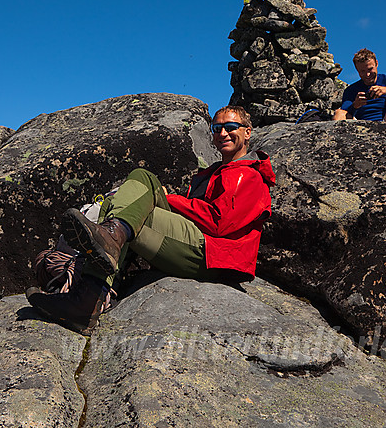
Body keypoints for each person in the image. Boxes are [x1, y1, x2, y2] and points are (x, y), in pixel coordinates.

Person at [26, 105, 276, 333]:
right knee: (125, 206)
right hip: (199, 246)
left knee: (141, 186)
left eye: (231, 127)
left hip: (215, 255)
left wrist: (172, 199)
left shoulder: (249, 176)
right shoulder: (215, 173)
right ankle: (89, 297)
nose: (223, 133)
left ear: (247, 132)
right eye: (217, 127)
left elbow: (219, 223)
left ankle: (89, 295)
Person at [333, 48, 386, 131]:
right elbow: (344, 110)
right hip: (361, 126)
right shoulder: (351, 90)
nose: (367, 74)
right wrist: (355, 105)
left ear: (376, 63)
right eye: (362, 71)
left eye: (370, 69)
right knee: (339, 113)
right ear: (357, 70)